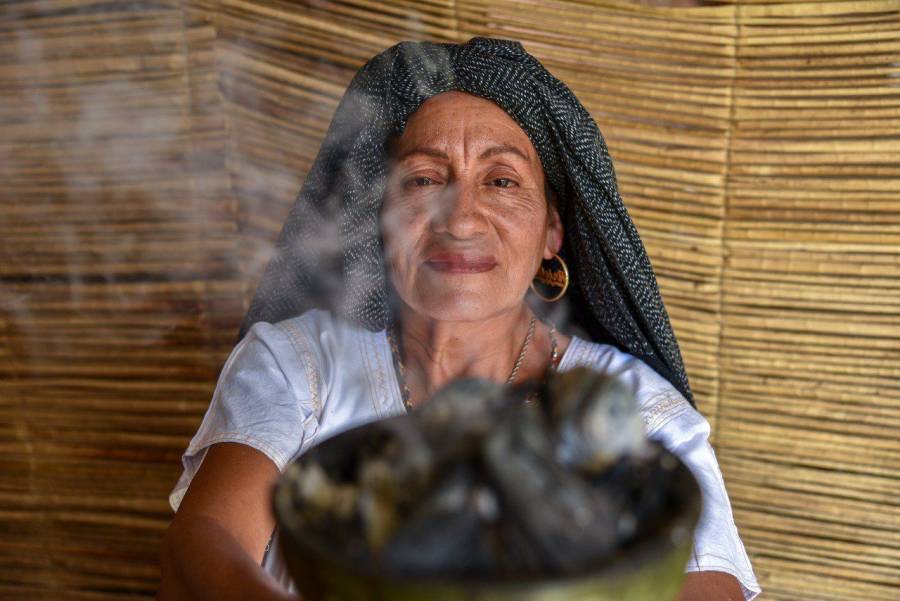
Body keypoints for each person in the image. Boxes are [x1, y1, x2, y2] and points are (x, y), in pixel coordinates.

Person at [158, 38, 761, 600]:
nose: (461, 220)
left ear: (553, 231)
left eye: (501, 181)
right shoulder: (299, 365)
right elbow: (202, 544)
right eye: (423, 180)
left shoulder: (635, 407)